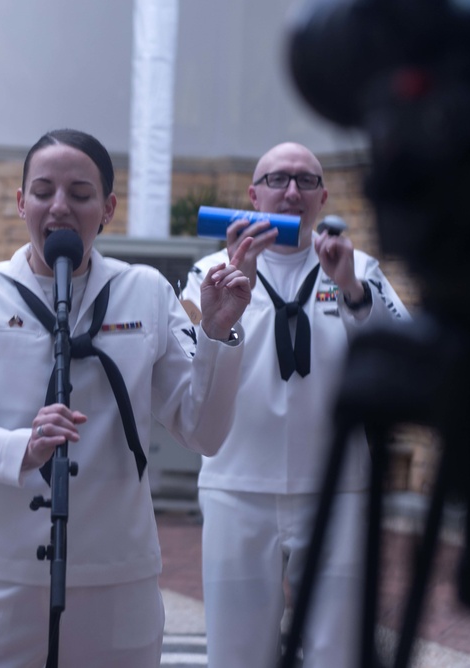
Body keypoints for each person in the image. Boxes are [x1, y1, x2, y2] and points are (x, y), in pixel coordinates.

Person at [0, 128, 252, 667]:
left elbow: (203, 432)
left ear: (108, 208)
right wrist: (21, 448)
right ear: (20, 201)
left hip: (118, 577)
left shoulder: (145, 290)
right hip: (3, 574)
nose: (59, 207)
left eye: (80, 194)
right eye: (44, 191)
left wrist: (216, 336)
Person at [181, 141, 410, 668]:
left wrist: (351, 289)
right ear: (252, 194)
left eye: (306, 181)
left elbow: (398, 355)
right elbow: (188, 372)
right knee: (238, 650)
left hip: (338, 488)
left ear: (323, 196)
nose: (291, 192)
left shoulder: (359, 268)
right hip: (236, 486)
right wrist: (235, 296)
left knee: (341, 648)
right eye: (278, 179)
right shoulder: (208, 273)